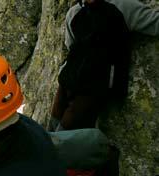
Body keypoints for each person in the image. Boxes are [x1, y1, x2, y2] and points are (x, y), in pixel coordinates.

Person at [50, 0, 159, 131]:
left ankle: (53, 148)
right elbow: (72, 48)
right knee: (53, 120)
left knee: (65, 129)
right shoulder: (74, 12)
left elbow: (155, 23)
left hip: (97, 84)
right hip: (70, 78)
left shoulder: (122, 7)